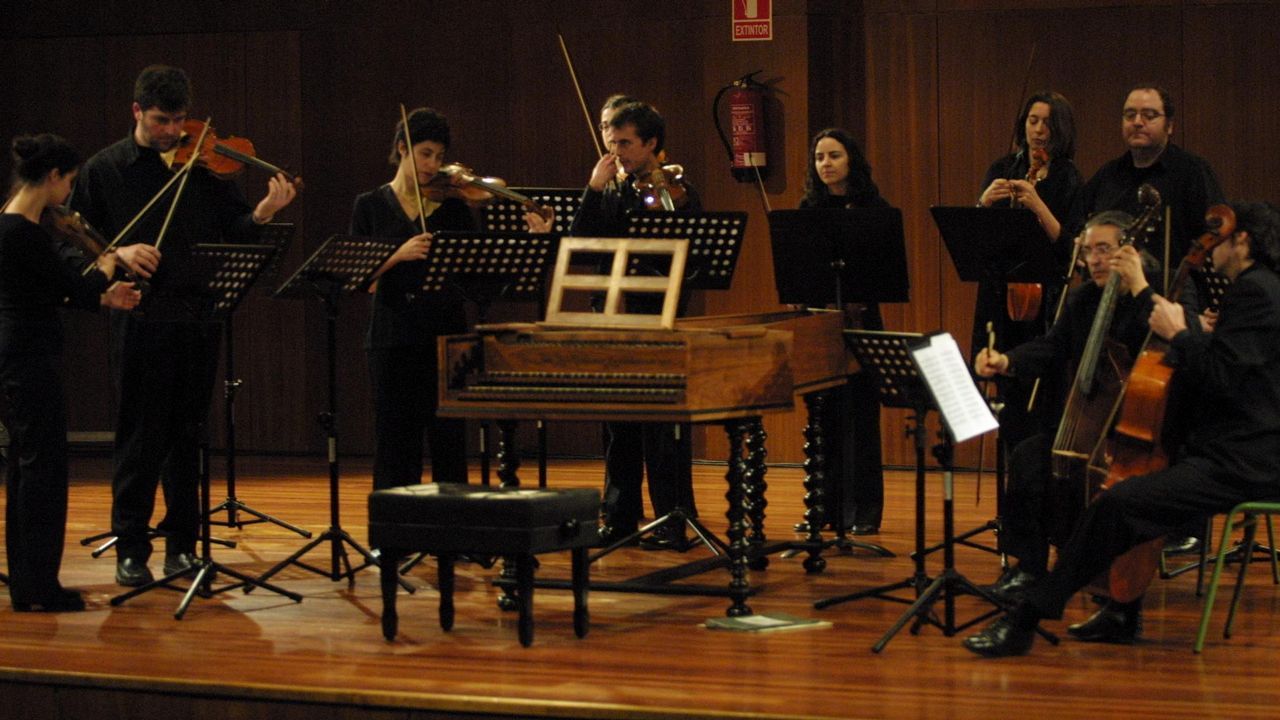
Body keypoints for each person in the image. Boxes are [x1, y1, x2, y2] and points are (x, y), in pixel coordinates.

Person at [963, 199, 1280, 658]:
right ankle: (1110, 612)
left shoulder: (1255, 292)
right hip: (1233, 450)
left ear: (1243, 241)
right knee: (1114, 497)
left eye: (1220, 241)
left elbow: (1221, 379)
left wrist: (1182, 334)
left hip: (1243, 461)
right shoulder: (1261, 289)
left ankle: (1030, 615)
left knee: (1118, 503)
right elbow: (1231, 371)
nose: (1210, 251)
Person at [70, 65, 297, 586]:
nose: (172, 132)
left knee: (188, 436)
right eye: (160, 121)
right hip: (139, 315)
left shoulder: (201, 166)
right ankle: (131, 545)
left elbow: (236, 229)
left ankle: (181, 546)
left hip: (198, 315)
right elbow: (76, 237)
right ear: (136, 112)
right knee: (138, 434)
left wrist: (262, 212)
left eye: (178, 121)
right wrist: (116, 250)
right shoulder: (105, 169)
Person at [1068, 83, 1225, 554]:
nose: (1138, 122)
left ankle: (1189, 522)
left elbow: (1214, 235)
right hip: (1114, 307)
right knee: (1125, 404)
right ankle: (1112, 505)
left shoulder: (1192, 172)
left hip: (1175, 298)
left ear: (1169, 124)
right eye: (1130, 114)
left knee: (1179, 405)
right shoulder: (1108, 176)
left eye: (1149, 114)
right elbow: (1080, 232)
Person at [971, 211, 1154, 602]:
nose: (1094, 260)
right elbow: (1053, 347)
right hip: (1086, 422)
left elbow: (1164, 342)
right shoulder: (1084, 298)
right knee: (1028, 457)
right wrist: (1007, 361)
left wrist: (1138, 289)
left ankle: (1101, 568)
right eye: (1088, 251)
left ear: (1130, 252)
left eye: (1104, 250)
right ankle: (1030, 567)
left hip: (1134, 431)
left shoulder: (1149, 298)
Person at [0, 134, 141, 610]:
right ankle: (40, 587)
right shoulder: (23, 231)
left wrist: (103, 296)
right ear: (54, 177)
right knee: (43, 472)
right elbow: (73, 288)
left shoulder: (10, 224)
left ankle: (28, 582)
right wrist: (107, 264)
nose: (69, 194)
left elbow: (50, 292)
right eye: (70, 181)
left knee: (26, 469)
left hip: (16, 354)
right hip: (29, 357)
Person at [568, 100, 701, 551]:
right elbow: (580, 247)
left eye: (625, 142)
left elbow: (692, 253)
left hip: (658, 319)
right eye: (611, 139)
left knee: (663, 428)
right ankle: (619, 517)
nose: (616, 149)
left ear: (651, 144)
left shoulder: (675, 191)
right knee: (617, 424)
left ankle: (672, 518)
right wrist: (593, 188)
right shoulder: (607, 188)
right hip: (611, 315)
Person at [350, 107, 473, 491]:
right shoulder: (369, 205)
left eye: (439, 156)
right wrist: (397, 255)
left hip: (446, 335)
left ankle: (452, 536)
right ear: (403, 149)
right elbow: (359, 279)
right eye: (425, 153)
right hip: (393, 337)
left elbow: (474, 275)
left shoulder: (453, 207)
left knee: (449, 440)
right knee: (395, 441)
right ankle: (394, 541)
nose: (433, 165)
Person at [974, 91, 1083, 449]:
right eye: (1032, 121)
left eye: (1047, 123)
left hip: (1044, 303)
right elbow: (977, 241)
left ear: (1059, 130)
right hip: (1001, 297)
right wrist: (983, 203)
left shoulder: (1068, 178)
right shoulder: (1003, 169)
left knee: (1040, 401)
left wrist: (1037, 204)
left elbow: (1070, 246)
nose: (1038, 130)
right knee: (1005, 399)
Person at [796, 127, 889, 535]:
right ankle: (823, 508)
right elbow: (797, 269)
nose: (826, 164)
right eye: (819, 157)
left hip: (859, 322)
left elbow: (885, 273)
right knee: (822, 418)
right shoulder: (808, 209)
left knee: (860, 419)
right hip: (819, 325)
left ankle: (864, 511)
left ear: (851, 160)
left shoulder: (873, 207)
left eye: (833, 156)